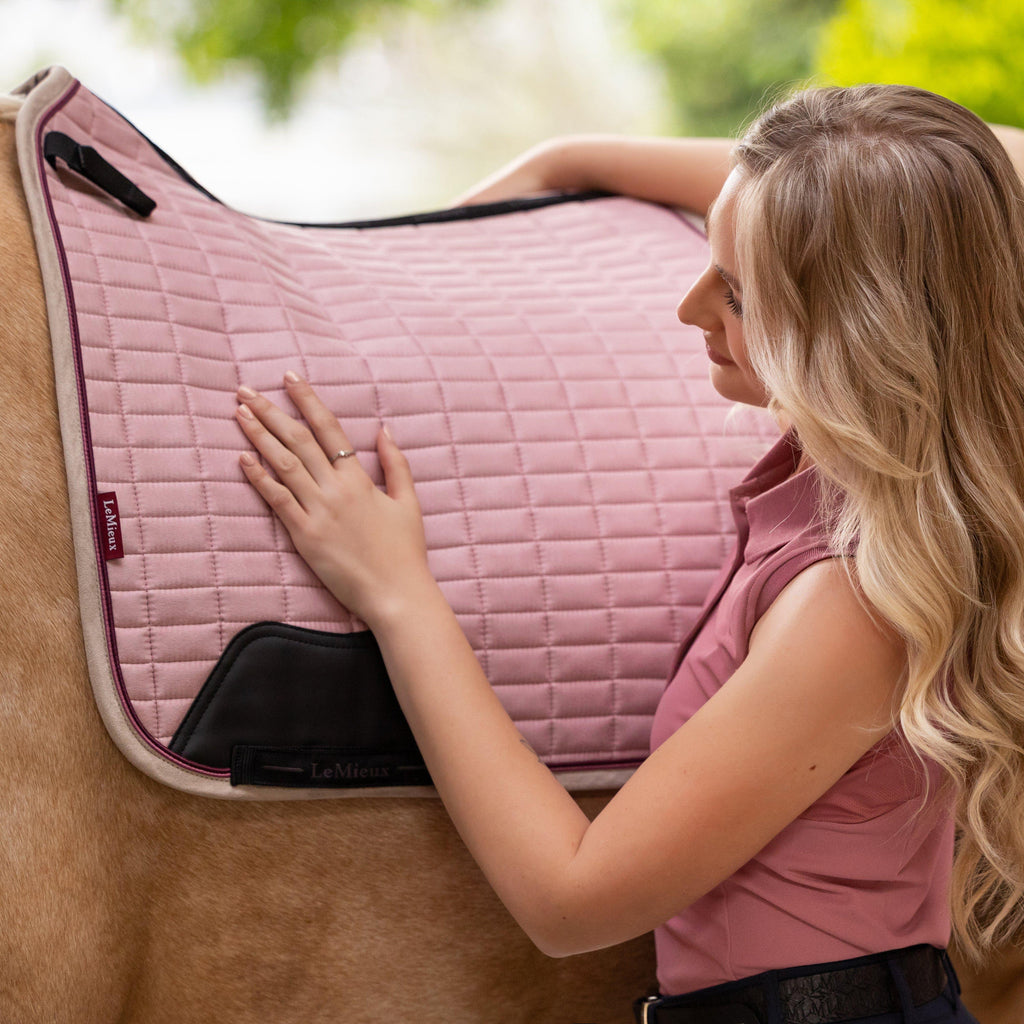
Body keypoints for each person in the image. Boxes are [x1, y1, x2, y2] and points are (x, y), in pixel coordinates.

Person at [232, 85, 1024, 1024]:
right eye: (708, 262)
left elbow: (571, 904)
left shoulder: (852, 606)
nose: (689, 309)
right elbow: (955, 186)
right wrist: (568, 159)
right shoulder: (878, 475)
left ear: (860, 331)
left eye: (736, 294)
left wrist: (398, 593)